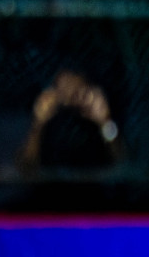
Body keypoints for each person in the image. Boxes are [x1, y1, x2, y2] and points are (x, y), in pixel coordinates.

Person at [18, 67, 121, 211]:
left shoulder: (96, 121)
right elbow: (25, 169)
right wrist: (38, 124)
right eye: (62, 89)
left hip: (95, 207)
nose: (69, 93)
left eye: (76, 89)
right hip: (48, 207)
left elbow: (123, 165)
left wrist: (105, 121)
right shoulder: (47, 121)